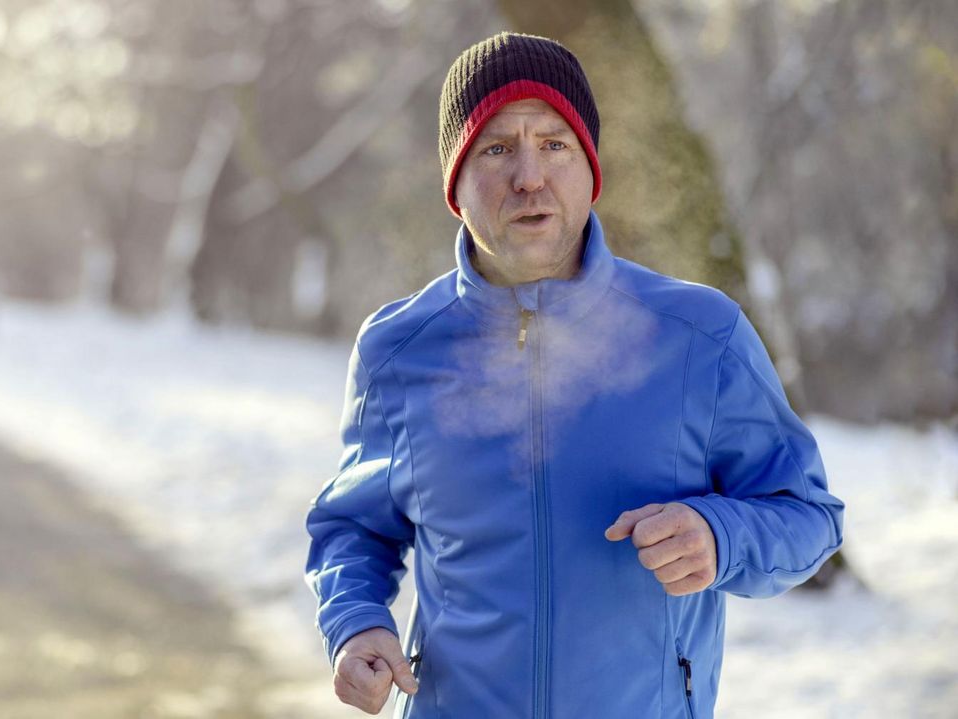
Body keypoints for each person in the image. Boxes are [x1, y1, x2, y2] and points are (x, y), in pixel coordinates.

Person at [304, 32, 844, 718]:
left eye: (554, 144)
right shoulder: (399, 351)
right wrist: (356, 622)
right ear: (455, 185)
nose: (529, 175)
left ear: (592, 168)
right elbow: (354, 527)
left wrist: (721, 535)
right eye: (497, 148)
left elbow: (809, 515)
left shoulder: (699, 337)